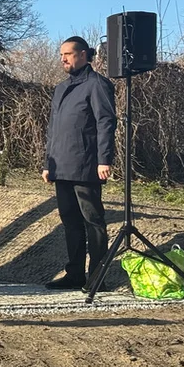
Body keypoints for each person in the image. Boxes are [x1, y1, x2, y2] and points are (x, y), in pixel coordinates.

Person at [42, 36, 117, 291]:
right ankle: (75, 274)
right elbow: (53, 128)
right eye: (61, 54)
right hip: (60, 166)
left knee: (92, 220)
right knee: (70, 222)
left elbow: (105, 122)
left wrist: (104, 159)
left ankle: (97, 277)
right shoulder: (61, 88)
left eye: (68, 54)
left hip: (86, 166)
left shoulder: (97, 85)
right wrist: (47, 163)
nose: (63, 58)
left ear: (83, 55)